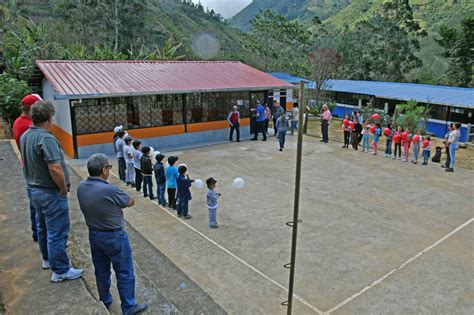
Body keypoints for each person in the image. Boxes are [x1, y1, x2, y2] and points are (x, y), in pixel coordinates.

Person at [20, 101, 83, 281]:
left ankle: (47, 259)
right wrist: (63, 189)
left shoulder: (26, 136)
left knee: (43, 227)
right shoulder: (46, 138)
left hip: (34, 190)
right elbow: (55, 169)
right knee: (57, 232)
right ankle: (61, 270)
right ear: (49, 118)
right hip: (49, 192)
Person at [77, 153, 148, 314]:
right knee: (124, 272)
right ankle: (128, 307)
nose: (109, 171)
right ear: (103, 170)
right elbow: (130, 201)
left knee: (101, 270)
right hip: (114, 235)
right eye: (108, 168)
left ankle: (105, 299)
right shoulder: (109, 189)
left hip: (94, 234)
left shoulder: (81, 186)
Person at [13, 93, 43, 241]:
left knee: (34, 201)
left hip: (27, 164)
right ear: (33, 108)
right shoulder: (28, 125)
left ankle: (36, 232)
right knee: (38, 204)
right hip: (35, 167)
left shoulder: (18, 121)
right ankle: (39, 232)